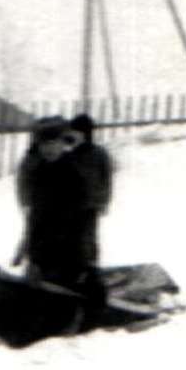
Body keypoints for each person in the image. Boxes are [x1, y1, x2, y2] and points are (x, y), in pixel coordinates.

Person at [16, 116, 92, 294]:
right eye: (44, 145)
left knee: (66, 295)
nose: (49, 149)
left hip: (69, 251)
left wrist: (83, 263)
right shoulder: (38, 173)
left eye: (53, 144)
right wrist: (32, 259)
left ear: (62, 144)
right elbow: (35, 219)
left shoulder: (74, 174)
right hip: (43, 252)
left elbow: (83, 221)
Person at [66, 113, 114, 310]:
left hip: (91, 205)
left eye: (77, 132)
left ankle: (90, 273)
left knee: (89, 240)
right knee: (74, 240)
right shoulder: (72, 154)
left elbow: (106, 179)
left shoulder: (99, 154)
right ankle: (76, 273)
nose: (74, 136)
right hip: (74, 206)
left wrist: (103, 201)